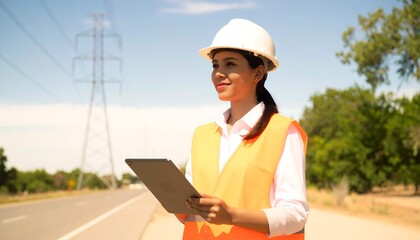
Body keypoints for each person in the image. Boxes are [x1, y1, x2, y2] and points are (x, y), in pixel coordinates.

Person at [176, 18, 308, 240]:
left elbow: (295, 214)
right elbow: (191, 212)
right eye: (215, 65)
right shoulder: (202, 135)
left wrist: (232, 216)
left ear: (257, 74)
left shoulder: (282, 131)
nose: (219, 72)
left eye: (230, 64)